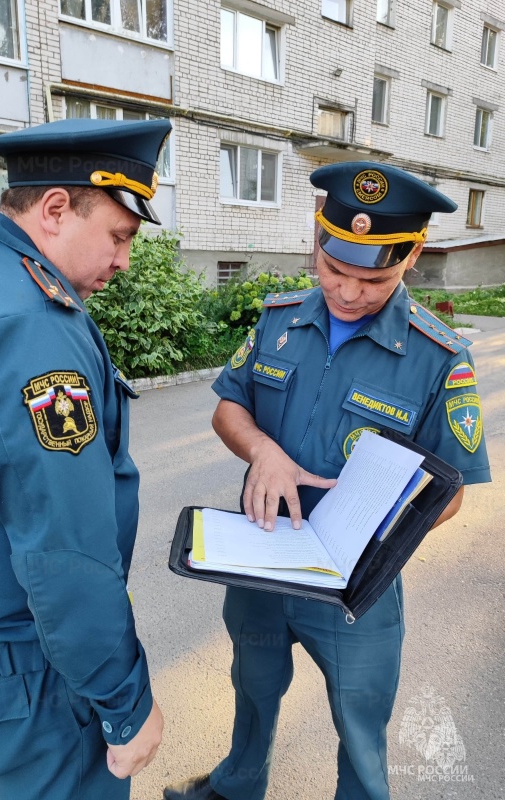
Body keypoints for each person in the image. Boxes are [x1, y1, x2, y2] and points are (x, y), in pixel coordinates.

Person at [164, 162, 491, 800]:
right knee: (252, 686)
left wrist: (372, 518)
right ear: (317, 239)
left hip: (352, 582)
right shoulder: (280, 319)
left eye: (372, 279)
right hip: (260, 557)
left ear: (412, 255)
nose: (346, 292)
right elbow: (229, 407)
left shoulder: (438, 356)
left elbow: (450, 490)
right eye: (334, 269)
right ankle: (237, 786)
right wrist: (265, 453)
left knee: (359, 721)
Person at [0, 117, 171, 799]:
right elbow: (63, 547)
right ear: (55, 209)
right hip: (29, 667)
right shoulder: (29, 324)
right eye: (119, 236)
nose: (123, 262)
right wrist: (125, 702)